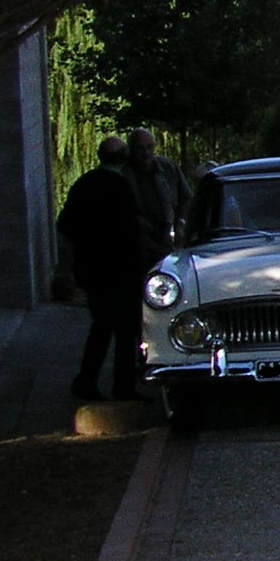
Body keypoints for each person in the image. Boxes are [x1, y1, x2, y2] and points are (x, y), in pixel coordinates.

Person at [57, 135, 144, 402]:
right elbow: (131, 230)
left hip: (92, 269)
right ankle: (122, 386)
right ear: (123, 157)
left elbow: (65, 224)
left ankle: (87, 380)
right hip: (120, 270)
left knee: (102, 327)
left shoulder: (84, 183)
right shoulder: (121, 186)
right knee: (125, 329)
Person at [124, 127, 192, 267]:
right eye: (140, 148)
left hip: (169, 237)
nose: (146, 153)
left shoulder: (168, 168)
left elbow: (185, 198)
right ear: (131, 150)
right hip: (139, 244)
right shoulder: (124, 175)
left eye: (149, 147)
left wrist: (180, 223)